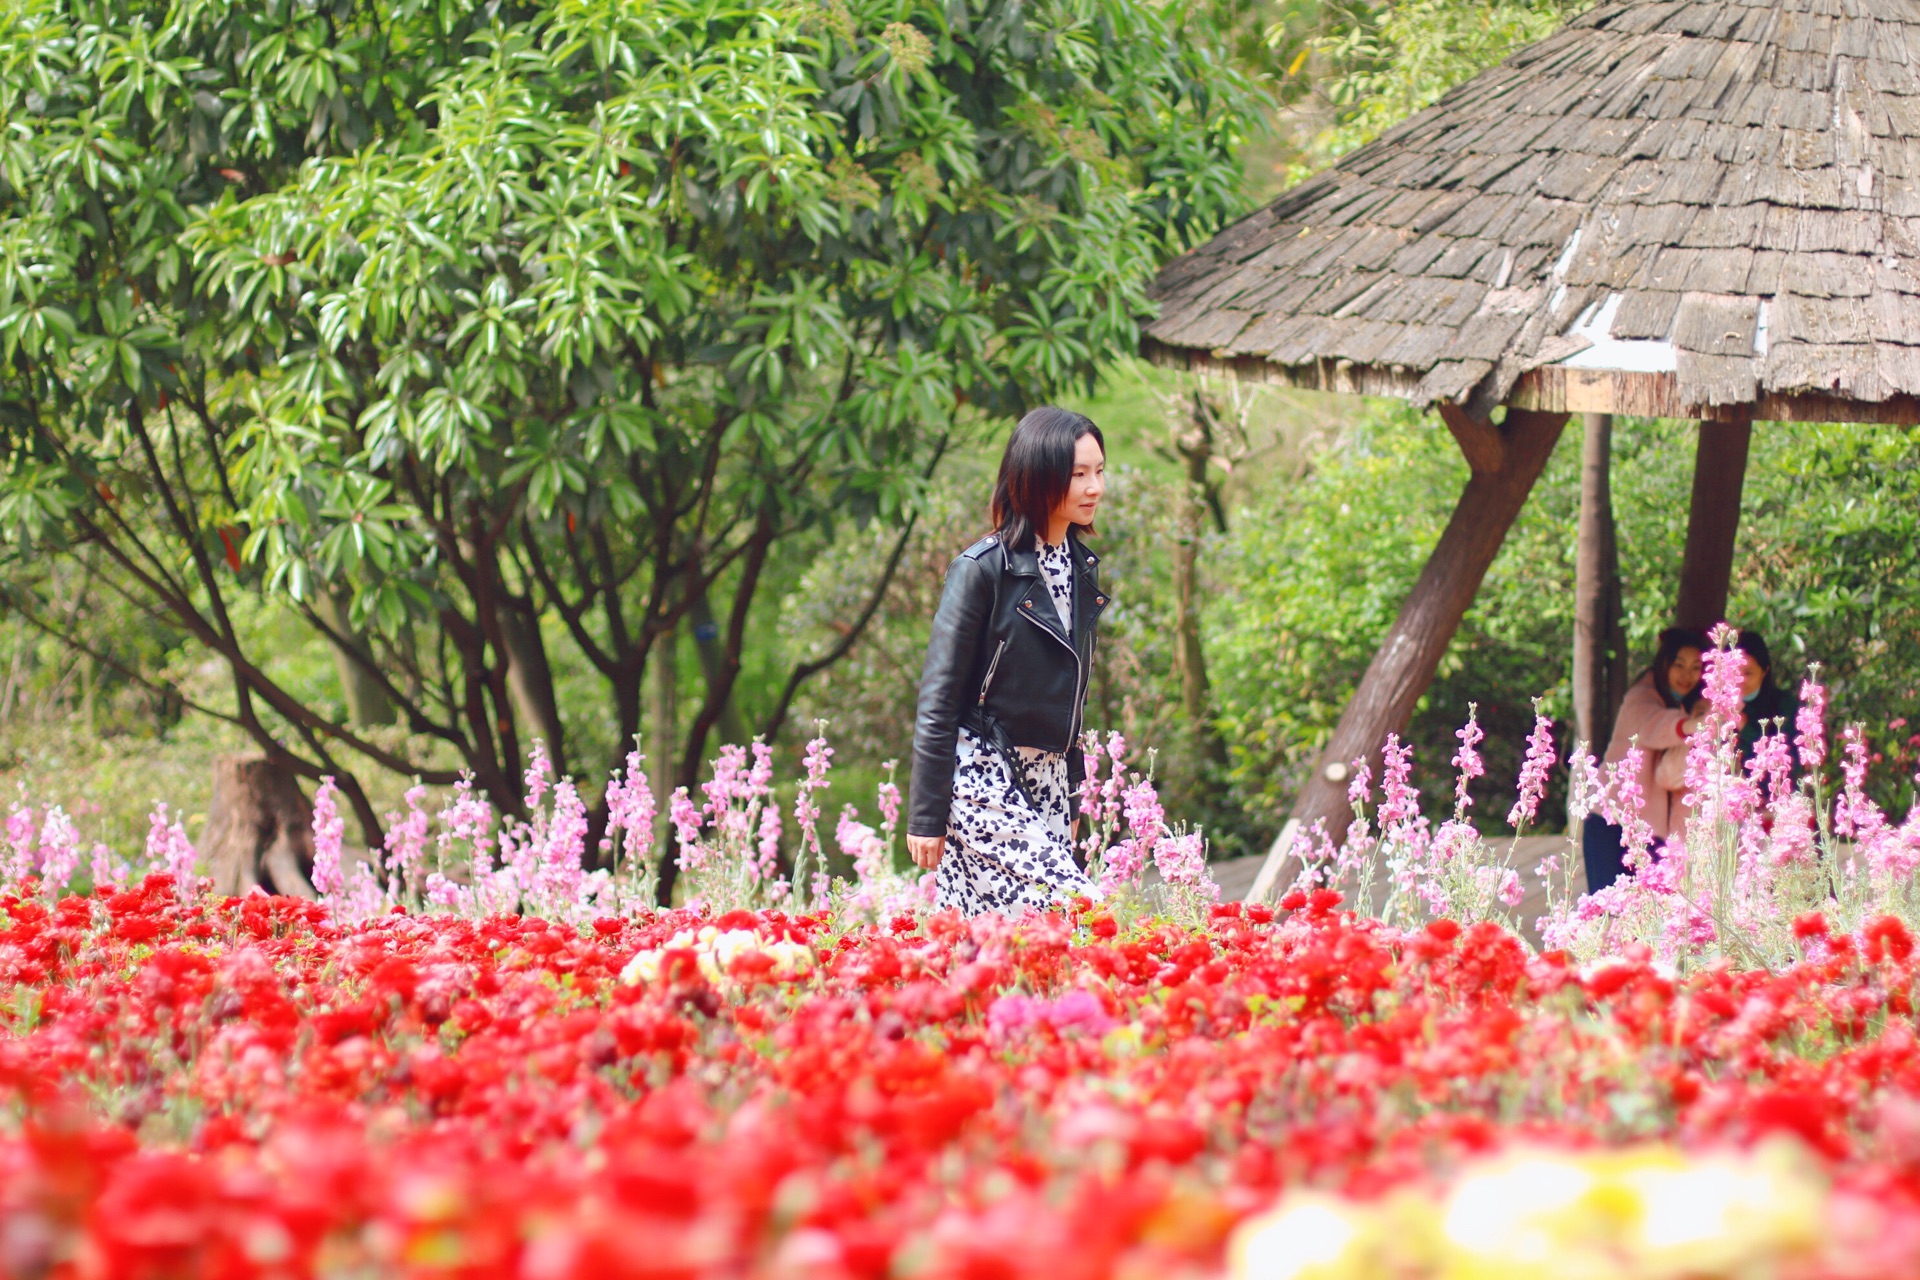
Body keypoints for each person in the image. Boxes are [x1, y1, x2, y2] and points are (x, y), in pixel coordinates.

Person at [905, 407, 1111, 915]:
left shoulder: (1081, 569)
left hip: (1049, 775)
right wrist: (926, 814)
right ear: (1038, 477)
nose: (1095, 488)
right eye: (1078, 474)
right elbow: (939, 698)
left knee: (992, 934)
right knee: (1082, 913)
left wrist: (1073, 790)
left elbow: (1072, 691)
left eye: (1099, 471)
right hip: (980, 772)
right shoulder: (980, 570)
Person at [1583, 626, 1708, 893]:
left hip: (1647, 828)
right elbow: (1656, 727)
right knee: (1608, 912)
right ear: (1664, 664)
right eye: (1679, 665)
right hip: (1612, 821)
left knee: (1643, 919)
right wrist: (1698, 725)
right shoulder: (1640, 696)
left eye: (1696, 667)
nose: (1687, 675)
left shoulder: (1683, 703)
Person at [1732, 629, 1799, 771]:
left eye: (1747, 673)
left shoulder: (1785, 704)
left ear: (1764, 671)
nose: (1739, 680)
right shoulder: (1711, 706)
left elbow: (1786, 762)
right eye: (1734, 672)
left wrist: (1744, 726)